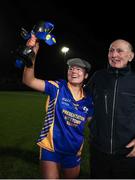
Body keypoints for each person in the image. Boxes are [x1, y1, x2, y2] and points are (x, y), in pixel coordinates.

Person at [22, 35, 93, 179]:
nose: (74, 71)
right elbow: (28, 80)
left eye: (79, 69)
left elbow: (93, 124)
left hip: (73, 152)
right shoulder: (57, 87)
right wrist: (32, 55)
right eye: (71, 68)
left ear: (86, 76)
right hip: (50, 147)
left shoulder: (89, 101)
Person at [85, 39, 135, 179]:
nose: (114, 54)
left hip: (128, 152)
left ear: (131, 56)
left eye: (119, 51)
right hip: (98, 150)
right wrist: (89, 118)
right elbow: (83, 100)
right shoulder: (98, 77)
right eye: (111, 50)